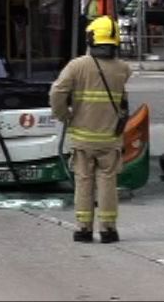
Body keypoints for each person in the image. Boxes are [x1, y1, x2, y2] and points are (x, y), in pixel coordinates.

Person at [49, 16, 132, 244]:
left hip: (83, 138)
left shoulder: (77, 66)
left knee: (83, 181)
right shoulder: (123, 69)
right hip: (110, 139)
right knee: (108, 182)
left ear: (91, 38)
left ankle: (83, 229)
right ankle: (108, 230)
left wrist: (64, 115)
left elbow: (57, 92)